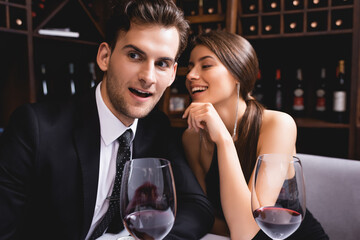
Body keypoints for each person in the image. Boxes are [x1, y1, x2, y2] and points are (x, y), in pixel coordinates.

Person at [0, 1, 214, 239]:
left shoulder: (156, 127)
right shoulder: (35, 129)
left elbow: (197, 207)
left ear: (173, 74)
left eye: (161, 64)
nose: (148, 77)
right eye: (134, 55)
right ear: (104, 56)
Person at [182, 30, 329, 240]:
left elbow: (247, 232)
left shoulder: (278, 125)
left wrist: (224, 140)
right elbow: (204, 215)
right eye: (190, 66)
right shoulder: (192, 137)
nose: (191, 76)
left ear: (238, 73)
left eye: (206, 65)